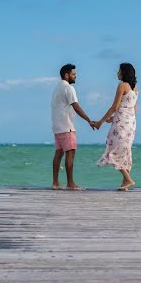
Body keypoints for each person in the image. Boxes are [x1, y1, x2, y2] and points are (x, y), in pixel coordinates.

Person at [51, 63, 97, 191]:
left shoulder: (57, 88)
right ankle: (70, 183)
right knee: (70, 153)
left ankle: (55, 183)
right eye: (73, 74)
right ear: (66, 75)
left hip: (57, 126)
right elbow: (76, 106)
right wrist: (89, 120)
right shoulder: (68, 88)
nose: (75, 76)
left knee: (59, 153)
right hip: (67, 126)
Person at [93, 63, 138, 191]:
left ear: (124, 72)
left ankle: (129, 179)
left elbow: (115, 107)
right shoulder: (135, 89)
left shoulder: (122, 85)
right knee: (125, 151)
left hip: (121, 123)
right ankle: (125, 183)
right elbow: (133, 109)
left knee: (114, 150)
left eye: (119, 71)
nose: (117, 73)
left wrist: (100, 122)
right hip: (131, 123)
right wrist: (114, 118)